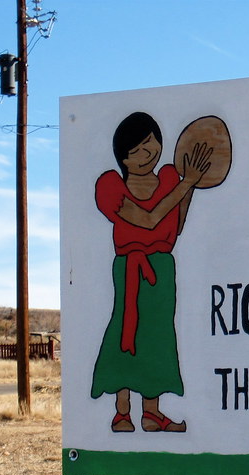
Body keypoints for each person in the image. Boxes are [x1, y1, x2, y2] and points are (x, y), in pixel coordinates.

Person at [90, 111, 212, 433]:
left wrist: (191, 188)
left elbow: (174, 227)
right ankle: (121, 411)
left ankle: (151, 412)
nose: (148, 153)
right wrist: (186, 184)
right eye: (137, 150)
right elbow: (148, 220)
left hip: (161, 267)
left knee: (157, 337)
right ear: (124, 158)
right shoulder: (110, 185)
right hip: (129, 267)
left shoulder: (171, 179)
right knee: (124, 331)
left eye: (151, 144)